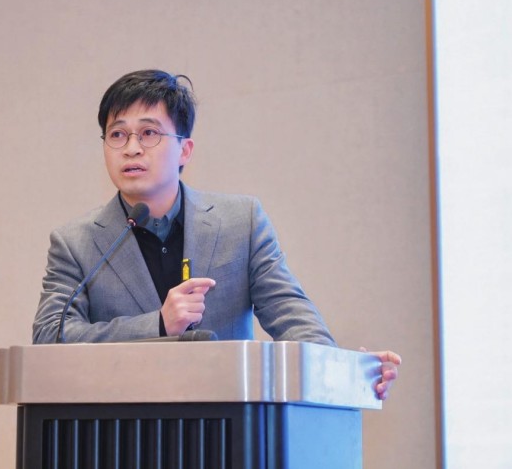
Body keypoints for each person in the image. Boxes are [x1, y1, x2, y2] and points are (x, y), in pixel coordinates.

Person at [32, 69, 400, 399]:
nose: (131, 148)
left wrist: (341, 371)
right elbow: (50, 336)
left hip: (226, 430)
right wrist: (157, 324)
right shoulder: (75, 242)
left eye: (149, 133)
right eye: (117, 134)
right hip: (122, 433)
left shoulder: (241, 222)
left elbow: (292, 316)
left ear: (185, 150)